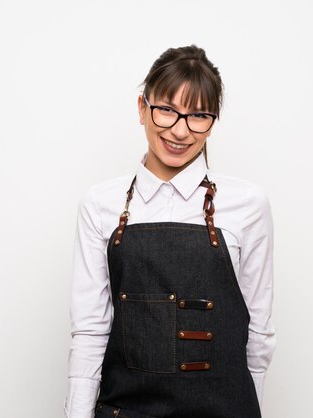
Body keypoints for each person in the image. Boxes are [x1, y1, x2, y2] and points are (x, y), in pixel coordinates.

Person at [66, 45, 276, 418]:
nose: (180, 130)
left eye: (198, 115)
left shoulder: (247, 205)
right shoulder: (100, 205)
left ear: (213, 121)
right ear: (142, 109)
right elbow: (90, 332)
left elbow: (257, 335)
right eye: (166, 110)